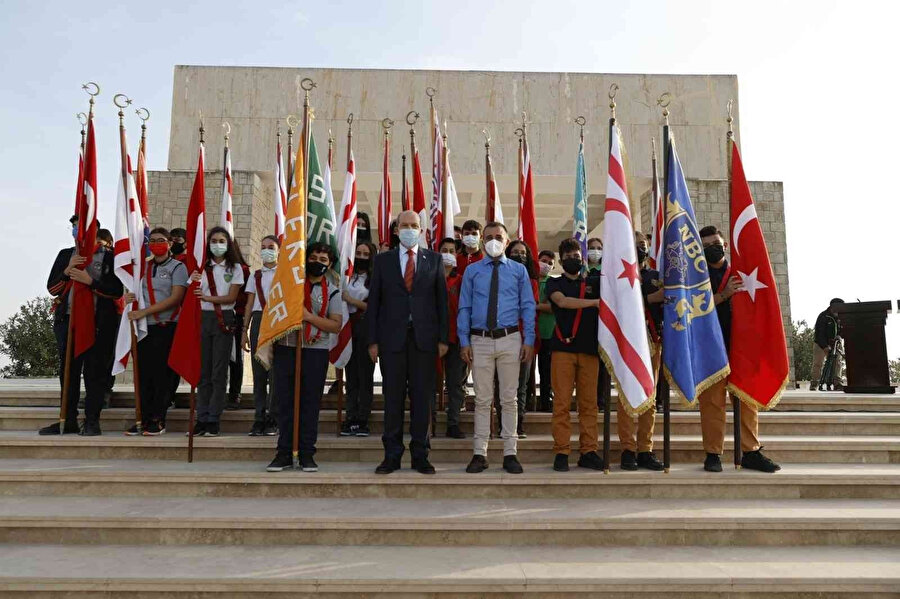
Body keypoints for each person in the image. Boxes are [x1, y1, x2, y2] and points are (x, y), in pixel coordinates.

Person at [368, 210, 448, 475]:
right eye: (405, 225)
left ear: (422, 230)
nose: (410, 229)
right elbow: (375, 304)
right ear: (395, 230)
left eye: (415, 225)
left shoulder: (434, 260)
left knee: (422, 400)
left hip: (424, 341)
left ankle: (420, 455)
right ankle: (391, 455)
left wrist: (443, 339)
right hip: (392, 341)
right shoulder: (382, 261)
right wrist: (373, 341)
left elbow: (441, 303)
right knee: (392, 399)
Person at [699, 225, 780, 473]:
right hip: (712, 346)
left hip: (742, 347)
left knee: (746, 399)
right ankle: (713, 454)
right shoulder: (697, 276)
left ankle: (751, 451)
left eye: (716, 243)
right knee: (712, 403)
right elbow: (695, 307)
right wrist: (724, 295)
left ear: (725, 246)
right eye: (706, 245)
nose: (712, 248)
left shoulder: (744, 273)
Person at [458, 222, 535, 475]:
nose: (493, 241)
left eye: (498, 237)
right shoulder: (472, 271)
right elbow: (465, 307)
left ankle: (510, 452)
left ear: (507, 240)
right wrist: (464, 341)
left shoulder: (518, 271)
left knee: (509, 399)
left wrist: (529, 340)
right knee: (481, 399)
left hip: (510, 338)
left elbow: (527, 307)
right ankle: (479, 453)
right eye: (488, 237)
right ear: (482, 240)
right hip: (479, 340)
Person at [41, 215, 123, 436]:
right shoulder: (66, 255)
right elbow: (52, 288)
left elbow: (116, 290)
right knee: (68, 372)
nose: (78, 230)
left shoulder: (110, 257)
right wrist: (67, 272)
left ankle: (92, 421)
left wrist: (91, 282)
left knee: (95, 373)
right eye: (75, 226)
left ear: (95, 230)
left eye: (83, 226)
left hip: (98, 323)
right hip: (68, 321)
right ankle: (67, 419)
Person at [266, 242, 343, 472]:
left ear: (329, 265)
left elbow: (335, 324)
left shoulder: (334, 290)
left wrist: (308, 316)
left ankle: (307, 453)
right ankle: (284, 453)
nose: (317, 263)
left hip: (315, 352)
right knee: (285, 402)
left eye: (323, 260)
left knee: (309, 405)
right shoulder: (289, 286)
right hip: (287, 348)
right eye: (314, 257)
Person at [546, 237, 605, 472]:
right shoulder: (554, 283)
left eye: (576, 256)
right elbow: (562, 302)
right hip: (562, 349)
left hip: (589, 350)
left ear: (583, 258)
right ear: (561, 260)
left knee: (589, 405)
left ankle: (588, 451)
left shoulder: (595, 281)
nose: (573, 259)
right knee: (561, 403)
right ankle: (561, 451)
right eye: (568, 256)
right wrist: (593, 303)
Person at [122, 227, 188, 435]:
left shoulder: (178, 267)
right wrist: (130, 299)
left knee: (162, 376)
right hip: (143, 329)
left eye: (161, 240)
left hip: (165, 326)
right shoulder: (143, 267)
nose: (156, 244)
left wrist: (145, 312)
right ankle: (142, 417)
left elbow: (175, 298)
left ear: (169, 244)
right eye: (152, 241)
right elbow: (133, 291)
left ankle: (158, 418)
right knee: (144, 375)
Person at [188, 227, 245, 437]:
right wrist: (194, 281)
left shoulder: (235, 268)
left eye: (222, 240)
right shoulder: (201, 267)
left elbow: (231, 298)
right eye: (213, 240)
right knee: (203, 372)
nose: (217, 244)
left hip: (224, 319)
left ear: (228, 244)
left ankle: (213, 419)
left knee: (219, 372)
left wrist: (208, 298)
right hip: (203, 318)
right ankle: (201, 418)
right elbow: (191, 294)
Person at [617, 232, 664, 470]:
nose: (639, 249)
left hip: (652, 341)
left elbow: (664, 298)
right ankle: (627, 448)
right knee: (626, 396)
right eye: (634, 245)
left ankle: (645, 449)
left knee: (650, 398)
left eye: (642, 245)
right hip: (626, 343)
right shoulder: (617, 274)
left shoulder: (657, 276)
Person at [242, 235, 280, 436]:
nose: (267, 250)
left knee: (275, 374)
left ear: (279, 250)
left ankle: (273, 418)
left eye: (271, 247)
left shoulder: (284, 273)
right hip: (258, 320)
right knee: (259, 373)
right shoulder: (255, 275)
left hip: (277, 321)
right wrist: (245, 330)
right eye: (263, 246)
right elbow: (249, 303)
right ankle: (259, 417)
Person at [501, 239, 539, 438]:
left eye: (523, 253)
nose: (519, 256)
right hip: (503, 336)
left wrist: (528, 341)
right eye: (515, 252)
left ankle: (518, 425)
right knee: (502, 385)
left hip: (524, 338)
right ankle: (501, 424)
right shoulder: (499, 277)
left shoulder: (532, 282)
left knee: (520, 385)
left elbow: (529, 309)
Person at [341, 240, 377, 437]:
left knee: (365, 376)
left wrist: (352, 301)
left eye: (366, 253)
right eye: (359, 253)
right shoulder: (347, 276)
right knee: (351, 375)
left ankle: (363, 418)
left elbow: (375, 306)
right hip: (348, 328)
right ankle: (350, 416)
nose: (362, 257)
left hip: (365, 328)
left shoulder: (375, 278)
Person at [439, 237, 466, 439]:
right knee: (430, 383)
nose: (447, 253)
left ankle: (453, 422)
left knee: (456, 384)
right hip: (433, 339)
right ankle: (428, 420)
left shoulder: (462, 279)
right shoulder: (429, 278)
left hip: (456, 338)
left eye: (451, 250)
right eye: (444, 250)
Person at [226, 239, 251, 410]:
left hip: (236, 317)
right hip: (214, 317)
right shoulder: (208, 268)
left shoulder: (243, 270)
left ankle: (234, 394)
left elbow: (247, 296)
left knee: (235, 359)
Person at [536, 250, 557, 413]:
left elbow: (553, 307)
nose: (546, 265)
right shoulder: (528, 281)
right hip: (529, 332)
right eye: (543, 261)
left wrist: (536, 306)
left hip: (548, 332)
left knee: (546, 370)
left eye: (550, 263)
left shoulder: (553, 283)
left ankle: (545, 402)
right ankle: (528, 401)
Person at [810, 298, 844, 391]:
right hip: (821, 343)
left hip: (836, 343)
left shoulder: (842, 316)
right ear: (833, 306)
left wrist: (839, 336)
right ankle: (814, 384)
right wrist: (825, 346)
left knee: (838, 362)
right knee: (818, 363)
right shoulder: (823, 316)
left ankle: (837, 383)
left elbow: (844, 329)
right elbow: (819, 333)